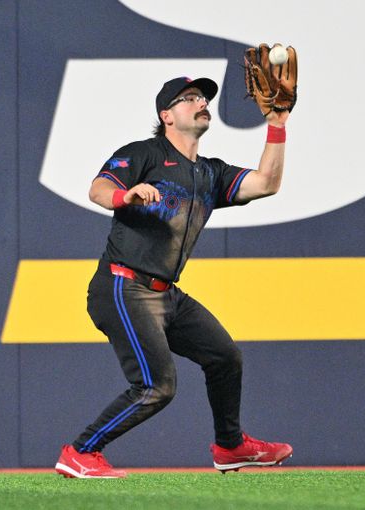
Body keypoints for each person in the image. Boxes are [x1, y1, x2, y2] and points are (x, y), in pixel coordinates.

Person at [54, 74, 293, 479]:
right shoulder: (144, 154)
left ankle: (230, 446)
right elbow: (98, 188)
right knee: (156, 387)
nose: (200, 102)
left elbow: (267, 183)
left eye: (202, 97)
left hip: (167, 294)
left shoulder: (211, 174)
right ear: (166, 115)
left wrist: (278, 123)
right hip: (122, 285)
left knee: (225, 357)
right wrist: (124, 195)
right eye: (188, 98)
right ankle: (80, 451)